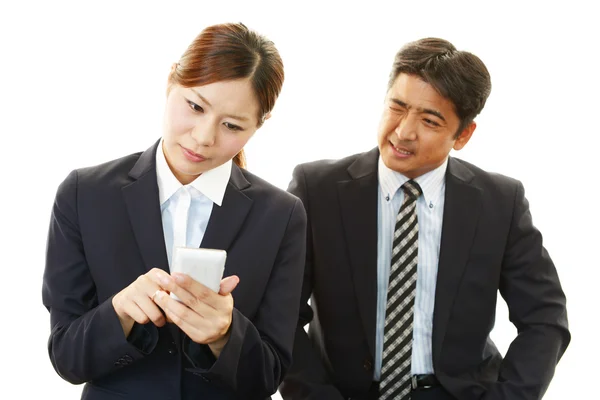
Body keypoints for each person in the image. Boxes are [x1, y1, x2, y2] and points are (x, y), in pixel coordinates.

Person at [280, 37, 569, 400]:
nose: (403, 132)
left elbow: (545, 316)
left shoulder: (500, 202)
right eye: (397, 107)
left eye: (430, 121)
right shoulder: (317, 190)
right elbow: (281, 312)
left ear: (463, 134)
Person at [42, 22, 306, 400]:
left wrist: (225, 335)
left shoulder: (281, 216)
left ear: (259, 126)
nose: (203, 137)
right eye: (195, 106)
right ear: (171, 81)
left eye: (231, 125)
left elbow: (268, 376)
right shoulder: (85, 194)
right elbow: (66, 357)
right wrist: (119, 312)